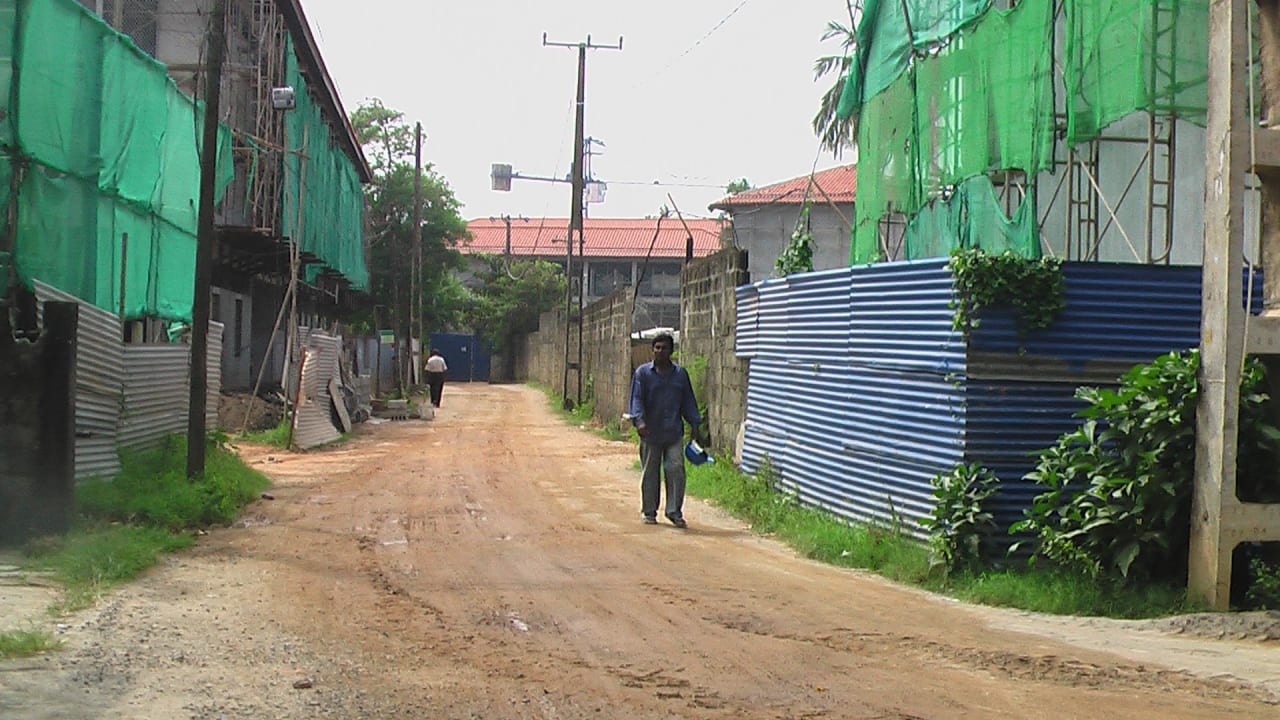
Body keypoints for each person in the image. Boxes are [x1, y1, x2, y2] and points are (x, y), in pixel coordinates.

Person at [628, 333, 702, 528]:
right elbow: (636, 399)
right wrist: (640, 421)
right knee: (650, 472)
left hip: (673, 433)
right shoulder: (643, 374)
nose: (660, 351)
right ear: (652, 350)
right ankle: (649, 511)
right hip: (650, 433)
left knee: (676, 469)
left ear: (672, 351)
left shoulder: (680, 375)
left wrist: (695, 425)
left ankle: (674, 511)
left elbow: (688, 401)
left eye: (664, 348)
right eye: (657, 348)